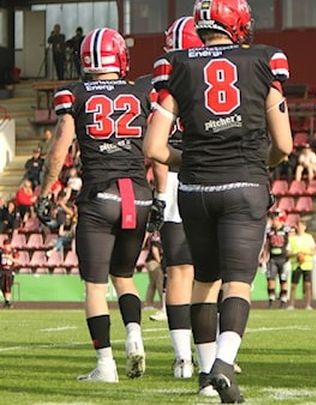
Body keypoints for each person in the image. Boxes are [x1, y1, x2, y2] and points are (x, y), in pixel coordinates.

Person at [145, 0, 292, 401]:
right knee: (238, 282)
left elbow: (154, 147)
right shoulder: (263, 61)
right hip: (243, 184)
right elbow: (283, 144)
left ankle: (206, 373)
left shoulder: (177, 65)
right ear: (239, 23)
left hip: (195, 189)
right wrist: (257, 162)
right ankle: (224, 363)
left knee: (204, 281)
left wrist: (191, 159)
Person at [37, 27, 154, 383]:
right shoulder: (141, 90)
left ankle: (105, 365)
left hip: (100, 195)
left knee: (94, 285)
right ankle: (134, 337)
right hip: (138, 194)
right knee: (125, 276)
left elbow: (59, 148)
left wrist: (45, 191)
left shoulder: (74, 94)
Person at [145, 15, 206, 382]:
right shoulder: (217, 74)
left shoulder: (164, 83)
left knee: (179, 271)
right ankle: (214, 354)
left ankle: (183, 358)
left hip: (174, 178)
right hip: (215, 174)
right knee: (212, 273)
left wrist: (161, 193)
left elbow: (157, 146)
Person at [287, 220, 316, 310]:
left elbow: (313, 251)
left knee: (307, 285)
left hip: (306, 264)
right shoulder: (292, 239)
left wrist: (304, 253)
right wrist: (296, 254)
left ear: (304, 227)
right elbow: (288, 252)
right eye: (298, 226)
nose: (299, 228)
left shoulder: (309, 237)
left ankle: (308, 304)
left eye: (301, 226)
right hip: (296, 264)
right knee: (293, 286)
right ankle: (291, 304)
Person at [264, 210, 291, 308]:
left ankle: (283, 300)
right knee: (270, 279)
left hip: (284, 258)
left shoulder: (286, 230)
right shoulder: (269, 230)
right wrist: (264, 256)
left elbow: (291, 241)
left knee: (283, 279)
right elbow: (267, 245)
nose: (273, 221)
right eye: (272, 219)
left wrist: (290, 253)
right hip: (272, 259)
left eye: (275, 219)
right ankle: (271, 300)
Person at [1, 239, 16, 308]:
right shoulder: (1, 252)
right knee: (2, 286)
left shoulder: (13, 252)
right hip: (2, 271)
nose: (6, 247)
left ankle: (8, 302)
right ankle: (7, 301)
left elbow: (17, 261)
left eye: (7, 245)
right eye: (5, 245)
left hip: (9, 271)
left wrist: (10, 258)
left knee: (8, 286)